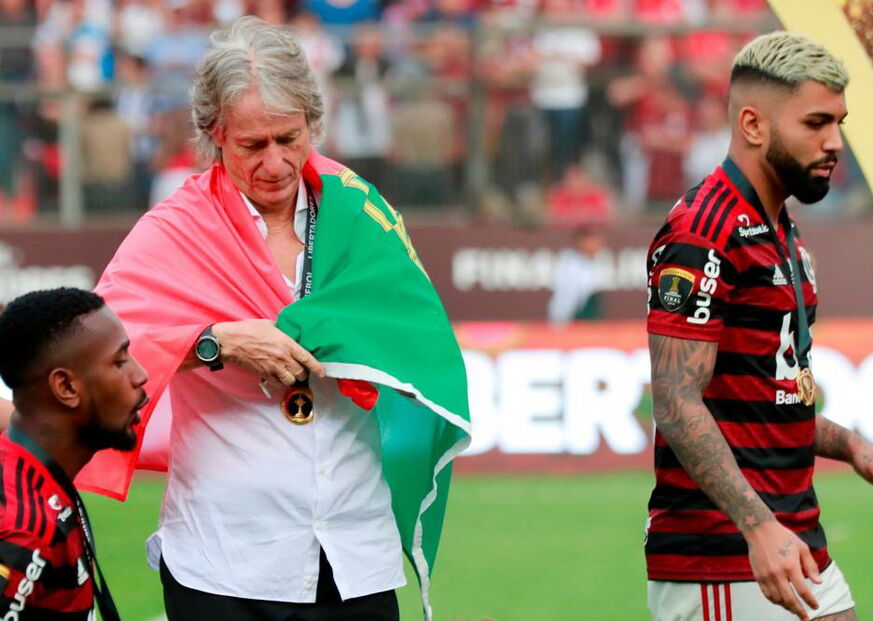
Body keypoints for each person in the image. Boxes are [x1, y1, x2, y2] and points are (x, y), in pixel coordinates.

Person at [76, 16, 469, 621]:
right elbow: (97, 356)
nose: (277, 164)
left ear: (314, 121)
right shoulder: (173, 232)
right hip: (224, 560)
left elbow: (414, 331)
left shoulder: (363, 214)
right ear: (214, 135)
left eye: (290, 138)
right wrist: (214, 343)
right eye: (252, 146)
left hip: (354, 552)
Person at [644, 32, 873, 621]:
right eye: (816, 122)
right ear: (753, 124)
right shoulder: (703, 229)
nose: (834, 142)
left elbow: (764, 397)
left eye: (839, 123)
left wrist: (852, 446)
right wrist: (756, 527)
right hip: (725, 553)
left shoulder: (778, 229)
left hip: (792, 536)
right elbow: (674, 398)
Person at [0, 287, 148, 620]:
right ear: (66, 388)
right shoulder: (22, 533)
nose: (141, 375)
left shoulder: (33, 471)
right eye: (120, 361)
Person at [547, 225, 606, 324]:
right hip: (574, 326)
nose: (597, 245)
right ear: (580, 243)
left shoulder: (591, 264)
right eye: (592, 242)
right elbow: (565, 302)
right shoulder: (570, 267)